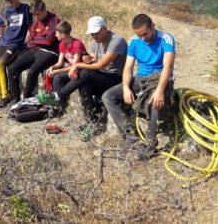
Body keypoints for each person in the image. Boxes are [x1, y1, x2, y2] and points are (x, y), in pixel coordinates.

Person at [41, 16, 127, 140]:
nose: (94, 36)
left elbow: (102, 65)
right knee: (83, 84)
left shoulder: (116, 41)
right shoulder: (95, 43)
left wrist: (77, 64)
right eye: (92, 34)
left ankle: (58, 96)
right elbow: (96, 60)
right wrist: (89, 59)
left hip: (115, 78)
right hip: (101, 76)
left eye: (96, 33)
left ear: (105, 28)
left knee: (85, 72)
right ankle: (91, 123)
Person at [102, 14, 175, 157]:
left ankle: (149, 143)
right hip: (141, 79)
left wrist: (160, 91)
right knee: (108, 96)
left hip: (160, 78)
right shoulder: (134, 41)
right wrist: (125, 88)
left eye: (145, 33)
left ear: (152, 26)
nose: (143, 38)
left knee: (155, 101)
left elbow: (168, 66)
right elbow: (128, 67)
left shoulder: (166, 39)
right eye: (139, 35)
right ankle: (130, 137)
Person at [7, 0, 61, 102]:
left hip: (50, 53)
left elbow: (49, 41)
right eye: (34, 15)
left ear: (44, 10)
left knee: (32, 72)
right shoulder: (37, 21)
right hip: (35, 50)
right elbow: (29, 40)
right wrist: (39, 40)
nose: (37, 17)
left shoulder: (54, 20)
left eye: (38, 14)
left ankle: (26, 99)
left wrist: (35, 40)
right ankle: (16, 99)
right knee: (12, 68)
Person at [0, 0, 32, 110]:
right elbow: (9, 25)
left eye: (12, 2)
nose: (11, 5)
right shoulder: (8, 10)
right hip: (4, 40)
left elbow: (30, 27)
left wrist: (28, 42)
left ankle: (6, 96)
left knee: (1, 65)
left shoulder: (26, 9)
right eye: (8, 3)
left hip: (15, 43)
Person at [38, 20, 87, 116]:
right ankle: (50, 100)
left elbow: (75, 65)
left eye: (57, 33)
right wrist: (53, 67)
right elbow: (60, 62)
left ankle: (57, 107)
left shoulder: (77, 44)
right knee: (45, 72)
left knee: (57, 77)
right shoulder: (62, 44)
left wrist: (57, 72)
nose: (55, 35)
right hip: (69, 68)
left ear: (63, 34)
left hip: (79, 70)